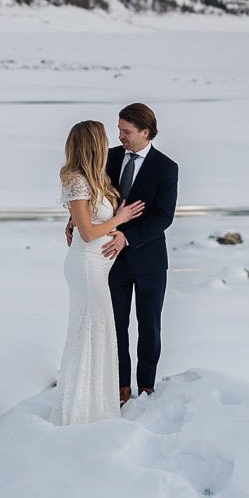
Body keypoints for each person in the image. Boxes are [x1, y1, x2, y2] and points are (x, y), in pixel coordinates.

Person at [53, 120, 143, 425]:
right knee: (92, 331)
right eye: (103, 139)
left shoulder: (95, 178)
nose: (109, 143)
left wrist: (116, 228)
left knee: (98, 331)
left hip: (98, 267)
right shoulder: (76, 180)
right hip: (86, 265)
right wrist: (119, 218)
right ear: (92, 143)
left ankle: (97, 406)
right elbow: (89, 232)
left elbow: (82, 220)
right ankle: (81, 412)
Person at [103, 103, 178, 401]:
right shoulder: (108, 158)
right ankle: (121, 387)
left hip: (149, 260)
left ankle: (146, 386)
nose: (120, 136)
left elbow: (164, 217)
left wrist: (128, 238)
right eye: (119, 129)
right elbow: (95, 199)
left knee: (149, 326)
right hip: (110, 258)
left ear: (145, 132)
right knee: (116, 325)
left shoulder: (166, 167)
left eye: (126, 131)